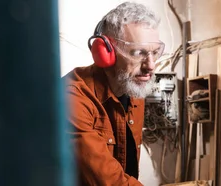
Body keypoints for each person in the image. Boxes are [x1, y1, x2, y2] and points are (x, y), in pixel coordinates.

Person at [62, 2, 165, 185]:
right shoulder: (72, 99)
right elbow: (110, 181)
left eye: (155, 52)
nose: (150, 65)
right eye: (139, 52)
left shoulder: (133, 88)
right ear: (105, 52)